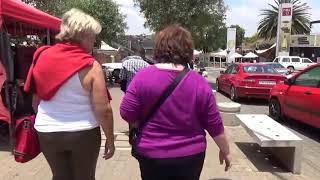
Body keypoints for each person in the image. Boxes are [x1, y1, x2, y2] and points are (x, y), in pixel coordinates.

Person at [120, 25, 231, 180]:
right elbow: (214, 122)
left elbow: (127, 112)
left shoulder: (142, 77)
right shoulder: (199, 82)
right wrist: (225, 150)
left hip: (152, 154)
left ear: (159, 48)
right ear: (187, 51)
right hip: (190, 156)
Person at [24, 9, 114, 180]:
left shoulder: (41, 55)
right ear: (82, 35)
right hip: (83, 132)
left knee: (60, 176)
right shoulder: (90, 65)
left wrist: (48, 120)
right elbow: (104, 109)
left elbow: (36, 101)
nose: (94, 40)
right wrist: (110, 138)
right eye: (92, 36)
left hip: (47, 131)